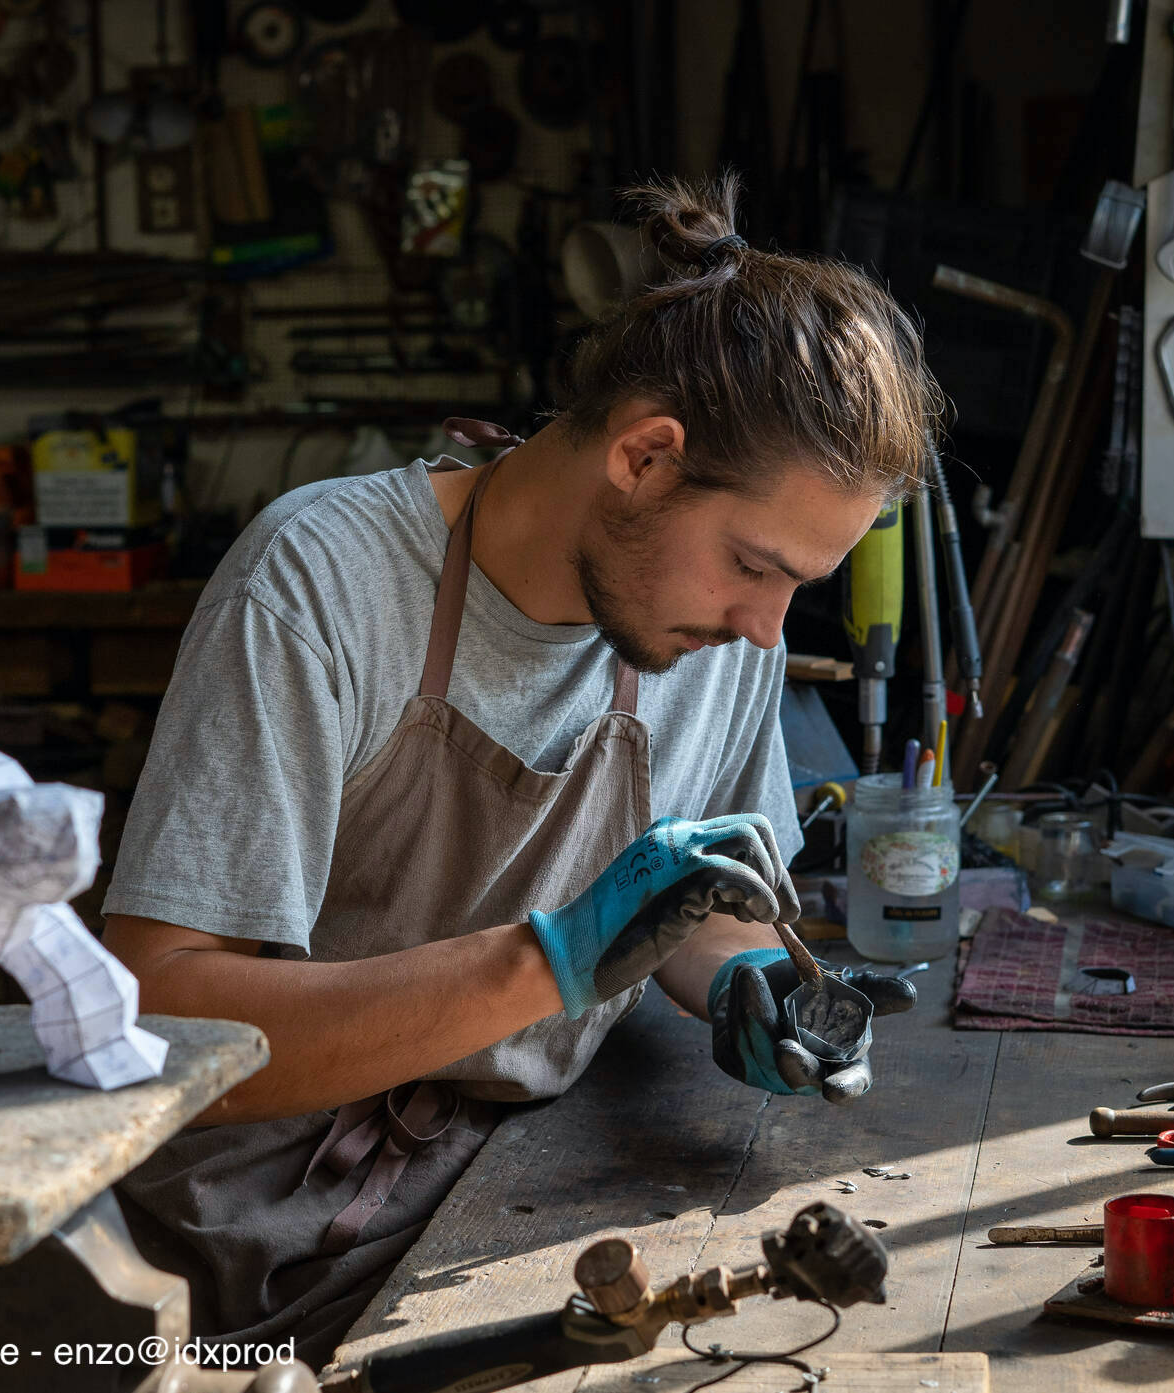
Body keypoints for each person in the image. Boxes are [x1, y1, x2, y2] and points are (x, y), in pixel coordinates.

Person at [99, 174, 943, 1369]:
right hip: (233, 1238)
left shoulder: (711, 631)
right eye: (755, 565)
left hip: (498, 1184)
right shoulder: (322, 584)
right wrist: (549, 961)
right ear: (646, 458)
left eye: (799, 581)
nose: (769, 626)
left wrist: (749, 974)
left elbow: (685, 907)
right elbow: (163, 1021)